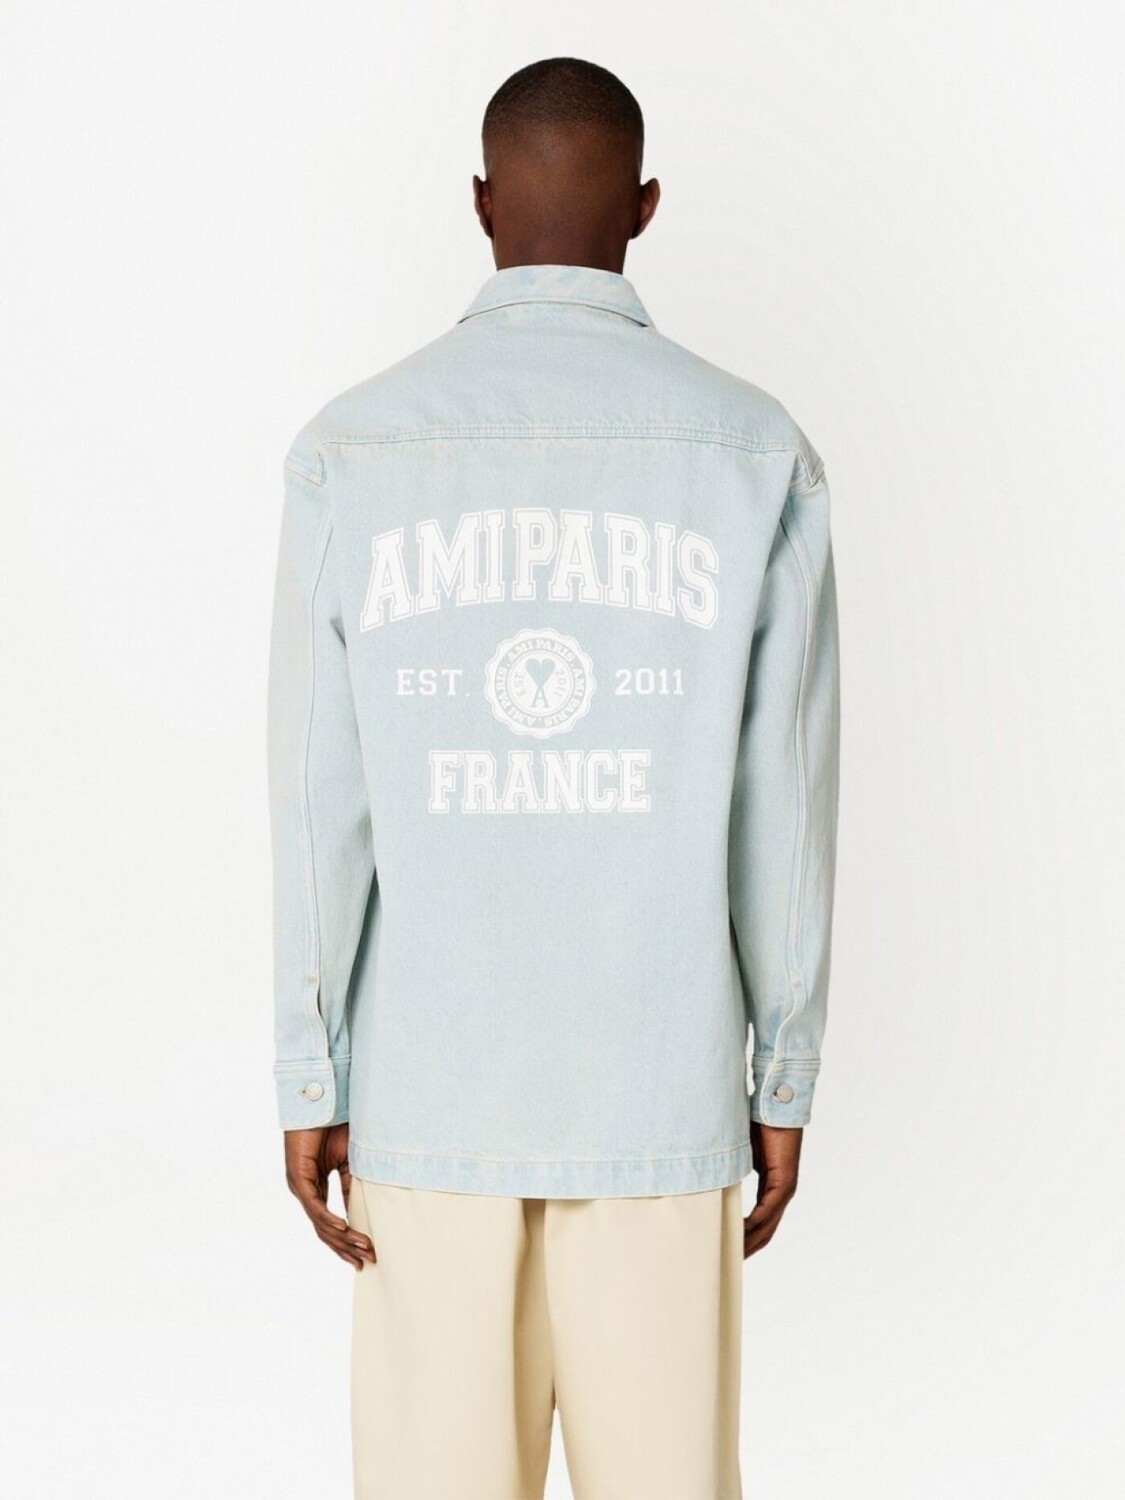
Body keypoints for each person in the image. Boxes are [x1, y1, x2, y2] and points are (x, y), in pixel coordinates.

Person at [266, 55, 840, 1500]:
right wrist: (780, 1072)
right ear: (644, 208)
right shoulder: (752, 452)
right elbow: (780, 804)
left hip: (428, 1094)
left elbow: (321, 801)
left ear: (480, 205)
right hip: (658, 1092)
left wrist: (310, 1066)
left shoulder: (354, 450)